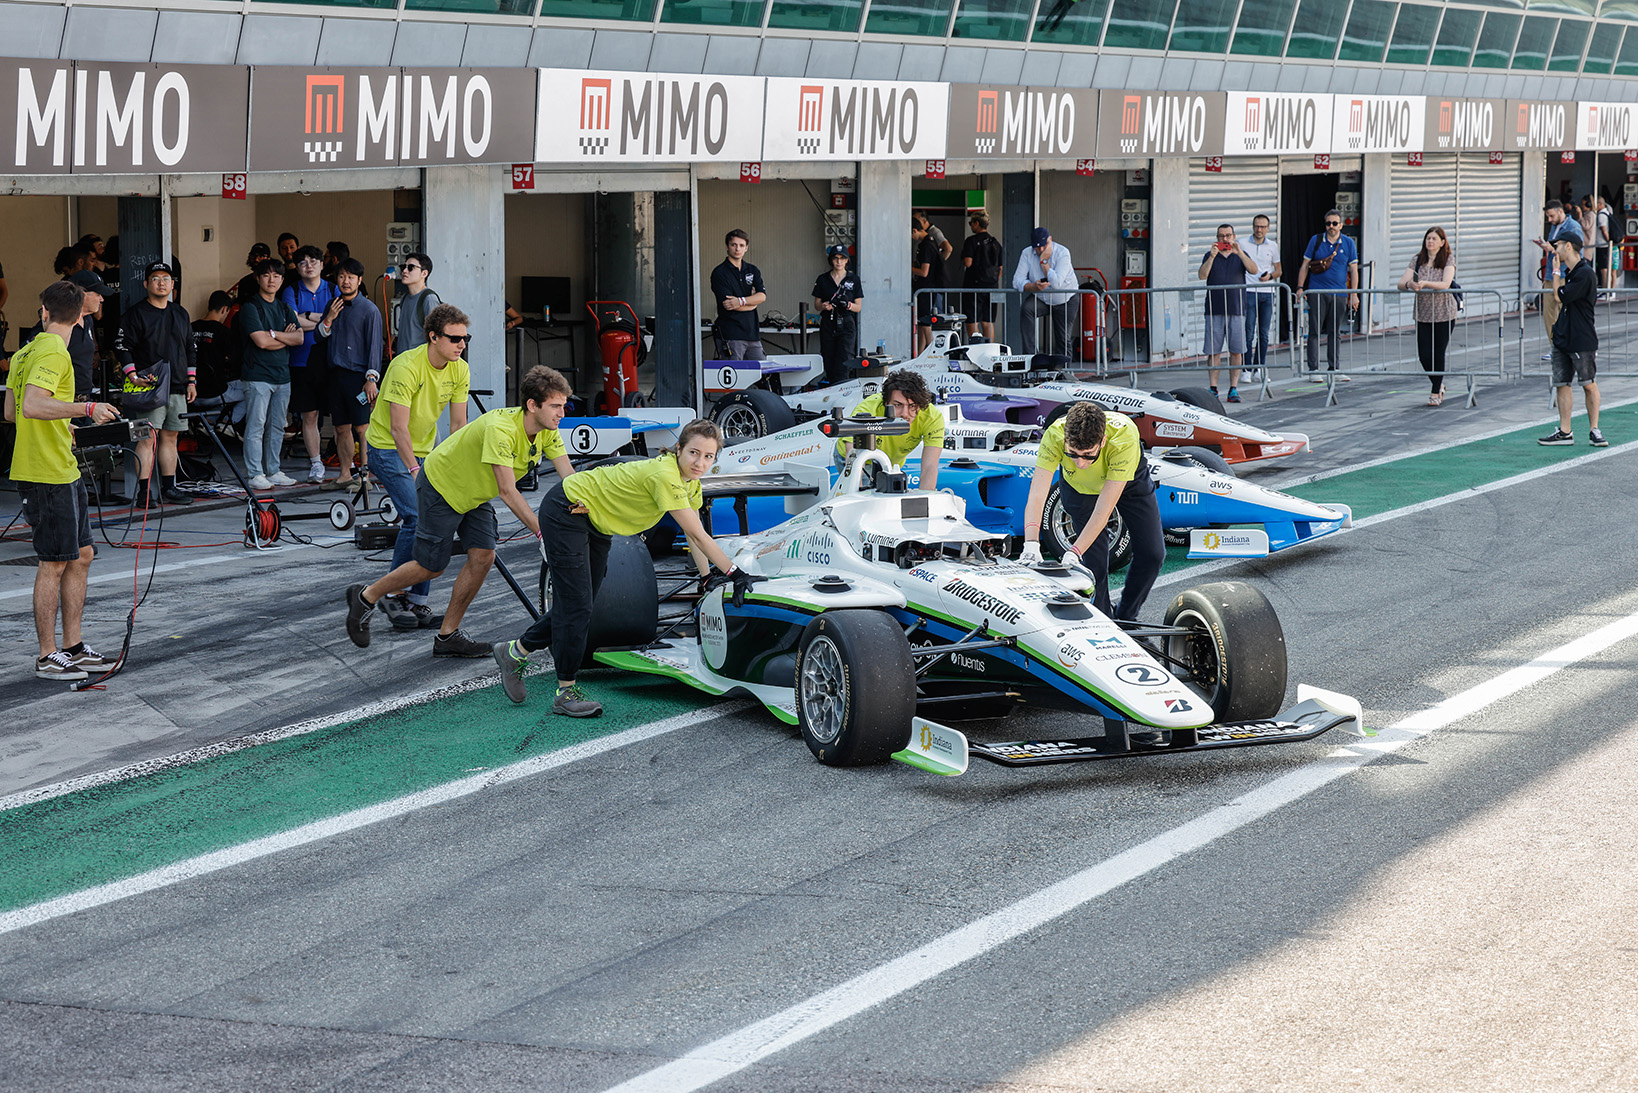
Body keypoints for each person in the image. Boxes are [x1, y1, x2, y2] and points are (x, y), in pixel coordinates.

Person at [493, 419, 747, 717]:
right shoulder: (665, 475)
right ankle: (565, 691)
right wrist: (735, 573)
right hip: (566, 509)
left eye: (708, 457)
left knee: (583, 603)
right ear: (678, 449)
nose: (699, 462)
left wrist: (706, 577)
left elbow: (696, 535)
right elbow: (695, 534)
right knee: (577, 606)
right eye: (693, 453)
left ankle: (515, 652)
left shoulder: (690, 483)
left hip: (596, 521)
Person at [344, 364, 576, 658]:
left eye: (563, 406)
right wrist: (542, 532)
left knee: (483, 556)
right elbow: (507, 491)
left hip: (475, 493)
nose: (561, 413)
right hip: (442, 486)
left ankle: (447, 637)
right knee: (432, 566)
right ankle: (366, 596)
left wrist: (586, 503)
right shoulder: (500, 429)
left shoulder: (546, 431)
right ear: (532, 405)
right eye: (555, 406)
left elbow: (568, 476)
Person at [3, 280, 120, 681]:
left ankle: (72, 646)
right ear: (81, 313)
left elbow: (10, 411)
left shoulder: (25, 351)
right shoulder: (54, 350)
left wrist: (63, 422)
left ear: (43, 311)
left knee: (81, 555)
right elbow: (33, 405)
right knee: (53, 562)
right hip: (44, 471)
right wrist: (85, 406)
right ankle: (47, 654)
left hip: (59, 466)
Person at [363, 303, 473, 632]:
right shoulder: (405, 366)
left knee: (436, 519)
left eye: (466, 338)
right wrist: (415, 471)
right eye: (455, 338)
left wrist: (459, 472)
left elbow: (458, 427)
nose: (462, 344)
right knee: (417, 515)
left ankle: (417, 601)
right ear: (433, 337)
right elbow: (397, 429)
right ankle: (392, 594)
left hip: (426, 449)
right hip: (386, 447)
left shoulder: (459, 369)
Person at [1018, 402, 1163, 624]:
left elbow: (1104, 511)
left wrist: (1074, 551)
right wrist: (1030, 544)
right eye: (1073, 454)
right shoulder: (1054, 435)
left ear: (1102, 441)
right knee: (1094, 566)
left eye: (1088, 455)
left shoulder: (1124, 437)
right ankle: (1103, 620)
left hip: (1129, 482)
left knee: (1153, 554)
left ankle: (1126, 619)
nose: (1080, 462)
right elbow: (1037, 494)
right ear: (1065, 439)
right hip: (1079, 488)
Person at [114, 262, 196, 507]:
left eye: (166, 279)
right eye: (156, 278)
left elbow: (191, 347)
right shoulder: (136, 313)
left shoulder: (180, 313)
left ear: (172, 285)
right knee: (147, 437)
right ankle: (144, 493)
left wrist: (191, 380)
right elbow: (121, 346)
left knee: (171, 436)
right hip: (149, 386)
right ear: (146, 284)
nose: (161, 282)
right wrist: (132, 375)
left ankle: (169, 488)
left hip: (179, 385)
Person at [315, 257, 383, 492]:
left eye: (350, 277)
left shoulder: (369, 310)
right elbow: (318, 337)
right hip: (335, 375)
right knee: (341, 427)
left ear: (359, 280)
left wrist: (371, 379)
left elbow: (375, 346)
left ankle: (364, 478)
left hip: (359, 377)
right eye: (341, 276)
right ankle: (345, 475)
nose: (345, 281)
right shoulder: (332, 305)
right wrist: (329, 318)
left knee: (362, 428)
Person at [237, 258, 304, 489]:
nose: (272, 279)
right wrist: (281, 338)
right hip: (257, 376)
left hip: (282, 376)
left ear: (283, 280)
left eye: (277, 276)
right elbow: (261, 342)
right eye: (267, 275)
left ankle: (273, 470)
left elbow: (299, 338)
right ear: (258, 278)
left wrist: (273, 335)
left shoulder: (284, 308)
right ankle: (255, 473)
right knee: (256, 425)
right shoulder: (250, 307)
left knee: (277, 426)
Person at [279, 245, 337, 484]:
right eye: (302, 262)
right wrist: (325, 318)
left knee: (341, 416)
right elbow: (292, 322)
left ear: (322, 264)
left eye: (313, 260)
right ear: (297, 267)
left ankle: (346, 460)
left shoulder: (334, 288)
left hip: (332, 360)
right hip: (301, 361)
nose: (309, 265)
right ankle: (316, 464)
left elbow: (340, 321)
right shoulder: (290, 291)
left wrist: (308, 317)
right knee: (309, 416)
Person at [1539, 235, 1605, 447]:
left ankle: (1594, 429)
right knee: (1562, 383)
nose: (1554, 251)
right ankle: (1565, 431)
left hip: (1582, 338)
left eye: (1557, 246)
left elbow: (1560, 296)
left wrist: (1555, 272)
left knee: (1588, 383)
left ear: (1568, 246)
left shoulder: (1584, 274)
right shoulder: (1573, 272)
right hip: (1563, 337)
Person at [836, 368, 943, 491]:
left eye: (912, 406)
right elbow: (854, 460)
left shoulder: (933, 417)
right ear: (885, 402)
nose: (905, 413)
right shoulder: (867, 410)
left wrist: (925, 501)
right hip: (858, 458)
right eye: (897, 405)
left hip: (890, 461)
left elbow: (930, 467)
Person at [1397, 227, 1457, 407]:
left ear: (1442, 242)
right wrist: (1410, 284)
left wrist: (1426, 283)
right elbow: (1401, 283)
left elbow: (1446, 283)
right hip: (1422, 313)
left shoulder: (1448, 259)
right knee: (1424, 354)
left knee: (1438, 352)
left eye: (1434, 239)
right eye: (1427, 238)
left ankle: (1435, 391)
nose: (1430, 242)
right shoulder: (1417, 260)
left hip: (1444, 312)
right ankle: (1439, 384)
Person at [1296, 209, 1359, 380]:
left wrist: (1353, 293)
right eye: (1328, 223)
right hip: (1317, 291)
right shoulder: (1316, 240)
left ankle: (1334, 368)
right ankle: (1314, 370)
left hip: (1339, 293)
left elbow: (1353, 269)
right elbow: (1305, 265)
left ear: (1341, 225)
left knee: (1335, 331)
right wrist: (1300, 287)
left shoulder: (1348, 243)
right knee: (1315, 331)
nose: (1331, 226)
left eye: (1335, 223)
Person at [1198, 223, 1256, 404]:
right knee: (1213, 351)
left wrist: (1239, 253)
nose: (1225, 239)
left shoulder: (1241, 255)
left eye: (1228, 235)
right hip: (1214, 310)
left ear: (1234, 236)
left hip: (1237, 309)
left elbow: (1254, 270)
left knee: (1236, 351)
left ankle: (1233, 388)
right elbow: (1202, 275)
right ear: (1217, 238)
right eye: (1221, 236)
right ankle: (1213, 388)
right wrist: (1212, 257)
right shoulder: (1210, 255)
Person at [1011, 227, 1077, 356]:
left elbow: (1057, 284)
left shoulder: (1062, 253)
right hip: (1041, 297)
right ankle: (1030, 358)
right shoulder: (1027, 253)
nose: (1041, 250)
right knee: (1027, 309)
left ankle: (1063, 370)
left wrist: (1044, 261)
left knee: (1063, 338)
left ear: (1050, 240)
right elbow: (1016, 281)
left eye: (1043, 246)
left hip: (1065, 299)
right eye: (1036, 247)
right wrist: (1032, 287)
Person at [1533, 200, 1583, 361]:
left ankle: (1573, 346)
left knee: (1567, 311)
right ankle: (1556, 347)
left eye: (1551, 215)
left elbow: (1576, 251)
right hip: (1551, 274)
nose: (1549, 220)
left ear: (1560, 212)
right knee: (1549, 313)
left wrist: (1552, 249)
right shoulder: (1555, 227)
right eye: (1547, 216)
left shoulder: (1573, 227)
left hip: (1564, 275)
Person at [711, 229, 767, 361]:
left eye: (741, 245)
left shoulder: (753, 270)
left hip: (753, 334)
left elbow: (762, 296)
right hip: (731, 335)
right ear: (727, 247)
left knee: (762, 375)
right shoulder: (719, 272)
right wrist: (752, 302)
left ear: (746, 248)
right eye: (733, 245)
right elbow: (729, 305)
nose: (737, 249)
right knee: (736, 378)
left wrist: (741, 301)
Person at [812, 245, 862, 384]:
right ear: (831, 260)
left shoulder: (853, 279)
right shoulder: (823, 279)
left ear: (847, 261)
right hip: (828, 321)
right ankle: (831, 391)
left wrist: (848, 305)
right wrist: (823, 306)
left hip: (846, 321)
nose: (839, 262)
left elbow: (858, 307)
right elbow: (816, 304)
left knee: (844, 361)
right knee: (828, 359)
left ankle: (842, 397)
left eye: (842, 258)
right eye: (835, 258)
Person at [1241, 213, 1281, 385]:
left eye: (1263, 226)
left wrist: (1270, 275)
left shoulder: (1273, 245)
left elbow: (1279, 270)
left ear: (1268, 228)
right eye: (1257, 226)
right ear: (1253, 226)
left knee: (1263, 334)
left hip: (1267, 292)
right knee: (1248, 332)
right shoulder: (1242, 243)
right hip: (1248, 291)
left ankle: (1259, 368)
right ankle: (1246, 369)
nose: (1259, 229)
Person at [65, 269, 114, 398]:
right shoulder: (59, 321)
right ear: (82, 294)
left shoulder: (88, 320)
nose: (102, 299)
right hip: (64, 400)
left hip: (85, 398)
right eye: (98, 294)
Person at [960, 213, 1003, 343]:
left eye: (971, 223)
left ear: (976, 223)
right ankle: (989, 349)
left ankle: (975, 348)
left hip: (974, 287)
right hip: (992, 288)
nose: (971, 226)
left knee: (973, 320)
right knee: (988, 321)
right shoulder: (996, 243)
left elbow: (968, 262)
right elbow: (1000, 269)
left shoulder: (971, 241)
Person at [191, 290, 235, 401]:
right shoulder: (223, 332)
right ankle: (222, 419)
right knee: (250, 394)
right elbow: (232, 358)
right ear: (224, 309)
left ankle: (211, 418)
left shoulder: (190, 327)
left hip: (191, 393)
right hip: (215, 392)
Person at [394, 252, 440, 354]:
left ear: (424, 273)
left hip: (418, 364)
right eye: (403, 267)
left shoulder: (429, 299)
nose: (405, 271)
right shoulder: (405, 298)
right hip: (403, 361)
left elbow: (436, 338)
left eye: (411, 267)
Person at [911, 221, 940, 354]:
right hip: (928, 288)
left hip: (926, 287)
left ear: (914, 230)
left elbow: (924, 272)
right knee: (922, 322)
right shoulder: (931, 241)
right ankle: (921, 353)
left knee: (926, 322)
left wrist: (908, 268)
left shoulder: (926, 246)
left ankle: (931, 352)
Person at [1595, 197, 1615, 297]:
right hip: (1606, 245)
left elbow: (1604, 230)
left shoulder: (1601, 215)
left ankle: (1605, 290)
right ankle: (1608, 289)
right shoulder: (1608, 212)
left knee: (1604, 269)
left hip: (1602, 245)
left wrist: (1608, 241)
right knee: (1607, 267)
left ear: (1600, 204)